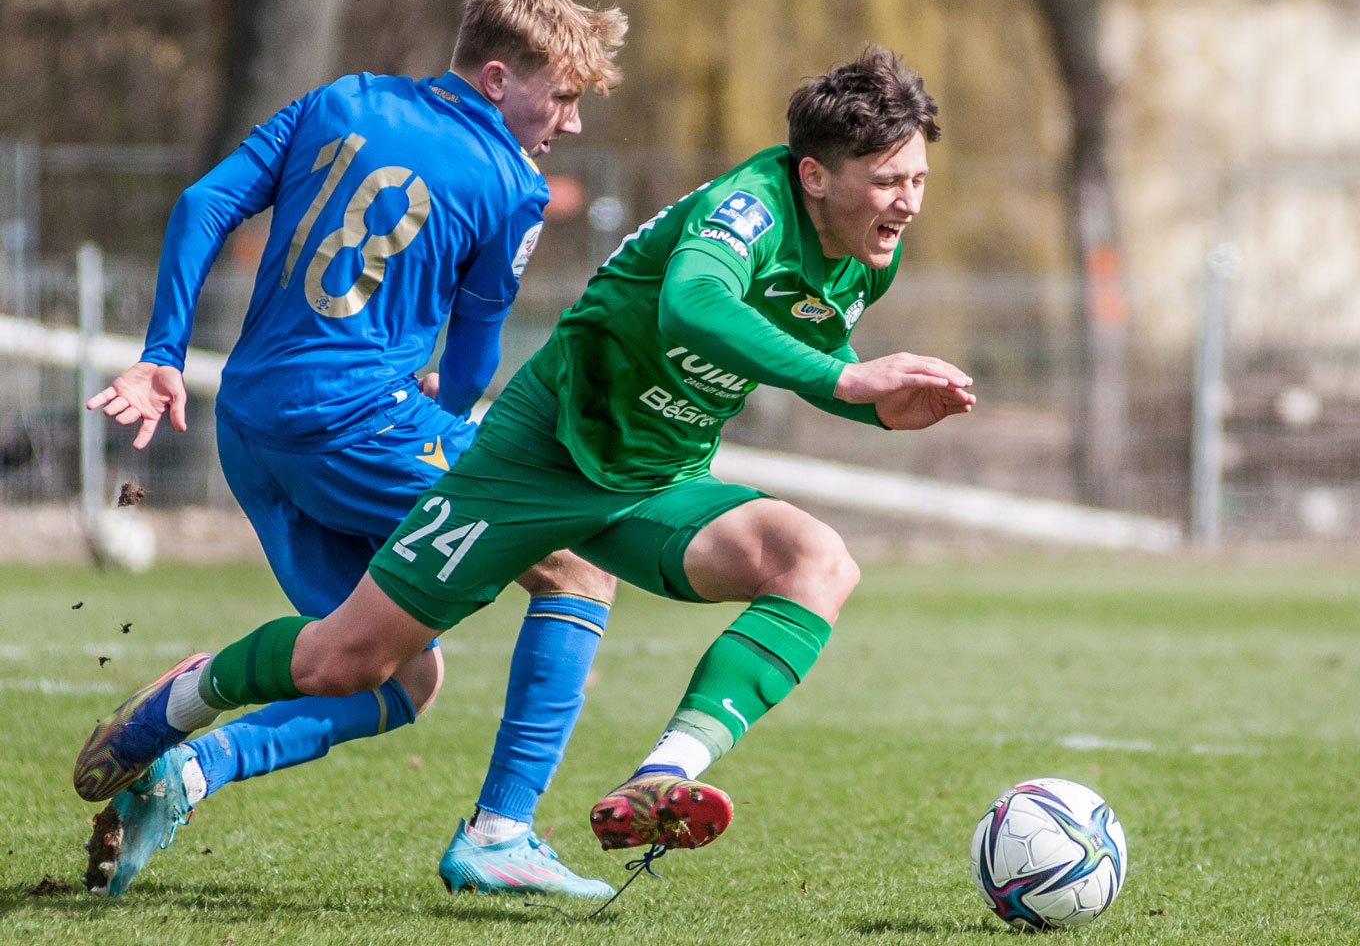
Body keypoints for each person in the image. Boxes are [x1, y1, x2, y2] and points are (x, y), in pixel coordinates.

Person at [76, 46, 973, 881]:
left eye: (918, 178)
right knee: (348, 664)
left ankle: (655, 781)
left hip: (650, 479)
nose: (908, 202)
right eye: (888, 180)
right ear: (815, 175)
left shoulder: (861, 258)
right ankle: (180, 709)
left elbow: (776, 352)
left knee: (814, 561)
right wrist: (849, 377)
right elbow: (696, 306)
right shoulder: (745, 210)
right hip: (537, 460)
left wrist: (876, 405)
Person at [75, 0, 627, 899]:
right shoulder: (509, 183)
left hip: (251, 429)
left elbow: (202, 205)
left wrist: (163, 354)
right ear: (497, 78)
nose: (568, 124)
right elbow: (473, 358)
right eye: (560, 97)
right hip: (356, 424)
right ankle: (502, 831)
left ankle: (180, 755)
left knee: (391, 673)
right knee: (573, 566)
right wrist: (450, 432)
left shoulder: (339, 97)